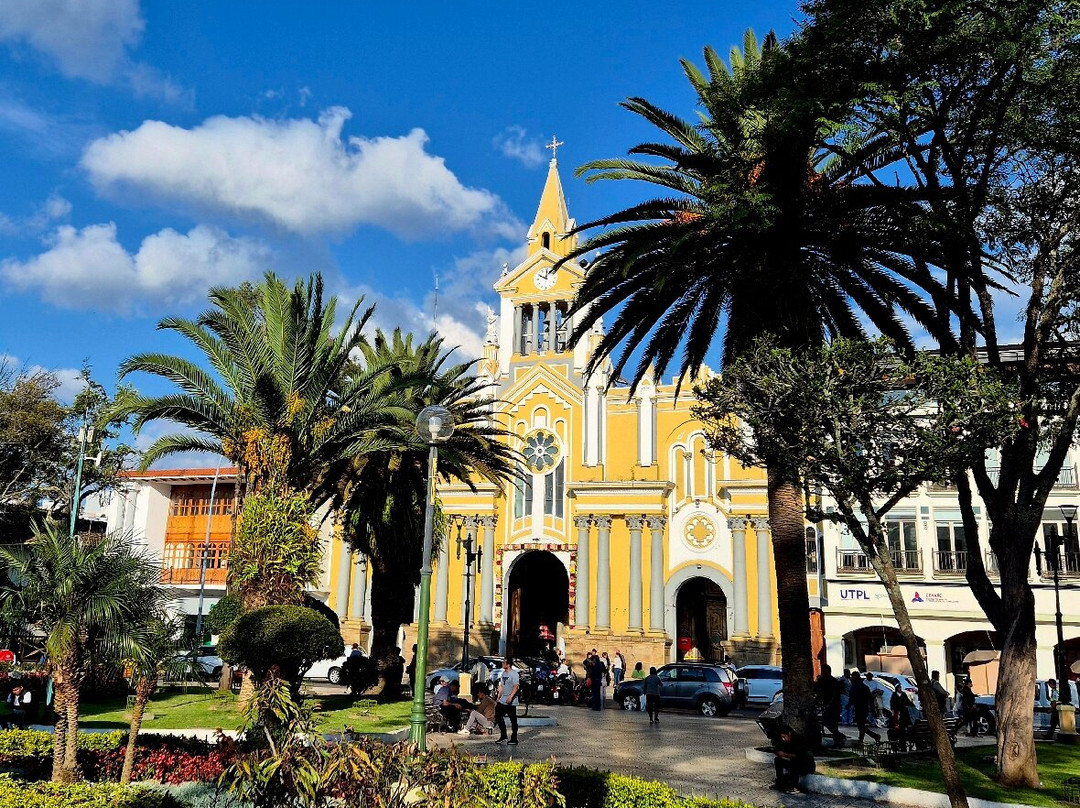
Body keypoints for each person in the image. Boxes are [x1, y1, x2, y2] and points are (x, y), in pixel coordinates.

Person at [772, 723, 815, 793]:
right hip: (795, 762)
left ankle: (794, 785)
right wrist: (777, 752)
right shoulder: (785, 741)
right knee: (777, 760)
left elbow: (798, 755)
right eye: (782, 737)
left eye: (784, 736)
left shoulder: (799, 739)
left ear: (789, 734)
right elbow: (778, 748)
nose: (783, 739)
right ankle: (780, 781)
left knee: (795, 763)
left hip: (805, 764)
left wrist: (784, 754)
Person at [814, 664, 845, 749]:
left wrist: (829, 704)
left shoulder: (833, 682)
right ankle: (838, 738)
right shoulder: (823, 681)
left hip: (834, 706)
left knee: (832, 724)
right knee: (826, 723)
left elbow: (835, 695)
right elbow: (819, 692)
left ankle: (839, 739)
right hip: (827, 705)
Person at [494, 657, 520, 745]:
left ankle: (514, 738)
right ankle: (503, 735)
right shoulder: (503, 674)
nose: (502, 664)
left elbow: (516, 686)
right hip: (503, 699)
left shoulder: (514, 674)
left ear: (508, 664)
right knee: (498, 715)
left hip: (511, 700)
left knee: (513, 719)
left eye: (504, 662)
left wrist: (511, 697)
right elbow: (501, 686)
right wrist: (498, 697)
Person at [849, 670, 879, 744]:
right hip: (858, 708)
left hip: (863, 708)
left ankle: (863, 739)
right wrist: (849, 705)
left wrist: (872, 709)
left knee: (861, 725)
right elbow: (852, 698)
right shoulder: (855, 687)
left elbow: (870, 699)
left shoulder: (863, 687)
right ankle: (871, 737)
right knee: (861, 725)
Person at [889, 683, 913, 748]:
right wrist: (893, 709)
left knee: (902, 723)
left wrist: (910, 705)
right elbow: (892, 702)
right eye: (899, 688)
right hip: (897, 711)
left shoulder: (904, 694)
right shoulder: (894, 695)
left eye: (900, 687)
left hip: (903, 712)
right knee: (896, 721)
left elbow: (908, 701)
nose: (900, 689)